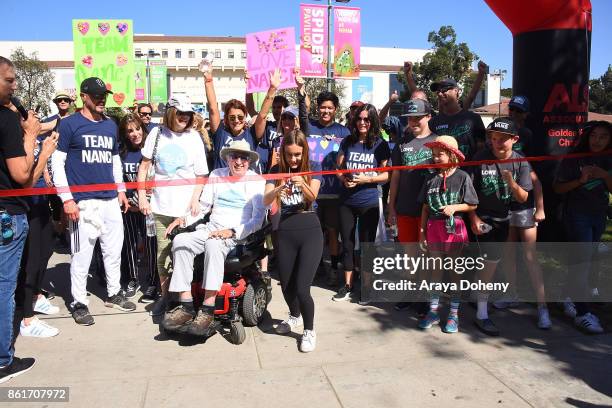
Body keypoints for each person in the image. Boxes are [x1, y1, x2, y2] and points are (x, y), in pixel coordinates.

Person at [52, 77, 136, 326]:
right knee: (81, 256)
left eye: (104, 95)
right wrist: (66, 199)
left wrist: (120, 190)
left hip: (110, 200)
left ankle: (113, 292)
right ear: (83, 96)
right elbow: (57, 164)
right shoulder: (69, 125)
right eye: (97, 95)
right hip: (82, 203)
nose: (102, 99)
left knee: (113, 251)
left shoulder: (110, 125)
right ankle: (78, 302)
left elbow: (114, 161)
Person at [162, 139, 266, 336]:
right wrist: (182, 220)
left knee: (213, 244)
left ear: (249, 161)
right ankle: (186, 305)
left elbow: (257, 221)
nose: (239, 161)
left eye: (243, 157)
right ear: (227, 158)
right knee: (180, 241)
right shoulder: (217, 175)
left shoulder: (257, 182)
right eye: (234, 156)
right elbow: (202, 207)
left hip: (238, 234)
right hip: (210, 228)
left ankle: (208, 308)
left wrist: (232, 231)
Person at [137, 94, 208, 316]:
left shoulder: (194, 137)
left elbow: (201, 174)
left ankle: (187, 300)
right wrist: (141, 195)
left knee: (187, 254)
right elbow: (144, 166)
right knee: (163, 256)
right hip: (161, 207)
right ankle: (167, 298)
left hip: (187, 210)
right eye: (181, 113)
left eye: (188, 114)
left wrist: (196, 199)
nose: (184, 118)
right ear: (171, 112)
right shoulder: (156, 134)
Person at [468, 117, 533, 336]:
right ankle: (482, 315)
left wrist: (511, 182)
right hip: (482, 219)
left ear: (514, 139)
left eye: (503, 139)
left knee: (487, 264)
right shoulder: (480, 158)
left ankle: (475, 298)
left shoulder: (521, 162)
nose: (497, 143)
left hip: (503, 219)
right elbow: (467, 193)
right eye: (494, 138)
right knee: (489, 265)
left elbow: (523, 197)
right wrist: (474, 218)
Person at [493, 96, 551, 330]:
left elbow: (534, 177)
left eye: (520, 111)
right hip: (506, 203)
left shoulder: (525, 135)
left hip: (523, 198)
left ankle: (542, 306)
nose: (515, 113)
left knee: (530, 256)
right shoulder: (500, 128)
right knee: (508, 253)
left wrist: (540, 207)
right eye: (513, 109)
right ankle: (512, 292)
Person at [264, 130, 323, 352]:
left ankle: (309, 330)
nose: (294, 159)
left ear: (304, 152)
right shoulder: (275, 170)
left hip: (310, 230)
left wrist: (301, 183)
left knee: (301, 287)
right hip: (286, 231)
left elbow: (313, 197)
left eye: (298, 154)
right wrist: (279, 186)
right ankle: (294, 316)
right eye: (290, 155)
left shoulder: (314, 167)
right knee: (287, 285)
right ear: (283, 154)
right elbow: (265, 200)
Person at [0, 55, 40, 383]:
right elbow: (22, 174)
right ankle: (3, 360)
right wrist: (30, 136)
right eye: (9, 80)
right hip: (7, 214)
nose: (15, 86)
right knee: (3, 287)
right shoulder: (6, 120)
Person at [553, 121, 611, 334]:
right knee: (583, 262)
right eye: (594, 135)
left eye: (603, 136)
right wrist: (580, 180)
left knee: (585, 261)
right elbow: (558, 188)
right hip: (577, 216)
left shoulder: (608, 158)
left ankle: (565, 297)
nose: (597, 140)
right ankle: (583, 313)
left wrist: (604, 175)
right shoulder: (573, 158)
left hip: (599, 215)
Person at [417, 136, 478, 333]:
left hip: (454, 228)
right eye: (433, 155)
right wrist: (421, 232)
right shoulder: (431, 178)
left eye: (439, 154)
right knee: (435, 270)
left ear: (452, 155)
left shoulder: (462, 177)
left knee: (454, 271)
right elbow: (425, 209)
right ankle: (433, 311)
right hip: (434, 227)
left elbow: (473, 204)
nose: (435, 158)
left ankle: (453, 314)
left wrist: (455, 207)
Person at [333, 104, 390, 302]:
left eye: (367, 119)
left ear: (373, 120)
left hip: (369, 201)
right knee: (347, 244)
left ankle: (367, 286)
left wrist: (366, 179)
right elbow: (338, 168)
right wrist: (343, 179)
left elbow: (385, 176)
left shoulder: (380, 144)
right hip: (347, 201)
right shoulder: (347, 141)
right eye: (359, 119)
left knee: (367, 246)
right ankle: (347, 284)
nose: (362, 122)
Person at [387, 99, 437, 313]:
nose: (414, 121)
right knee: (410, 255)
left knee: (426, 254)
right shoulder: (402, 143)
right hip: (405, 207)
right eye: (410, 118)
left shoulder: (439, 142)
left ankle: (425, 298)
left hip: (431, 209)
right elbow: (395, 176)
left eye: (418, 117)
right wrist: (391, 206)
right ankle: (411, 292)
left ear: (429, 117)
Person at [18, 122, 60, 338]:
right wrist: (44, 153)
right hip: (27, 206)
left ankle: (35, 295)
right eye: (28, 114)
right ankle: (27, 319)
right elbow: (26, 178)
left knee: (46, 251)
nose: (34, 116)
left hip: (42, 201)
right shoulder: (18, 140)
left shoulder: (33, 137)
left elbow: (52, 123)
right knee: (31, 262)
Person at [308, 91, 351, 285]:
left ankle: (334, 269)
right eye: (323, 107)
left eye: (330, 108)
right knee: (313, 233)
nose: (326, 111)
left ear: (335, 110)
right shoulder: (308, 127)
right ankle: (314, 268)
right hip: (311, 193)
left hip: (335, 193)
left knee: (333, 232)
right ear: (318, 108)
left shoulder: (344, 132)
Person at [118, 114, 158, 302]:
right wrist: (128, 200)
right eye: (130, 131)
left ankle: (152, 282)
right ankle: (133, 279)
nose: (134, 134)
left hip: (149, 207)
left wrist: (145, 200)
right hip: (128, 208)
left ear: (143, 128)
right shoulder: (121, 153)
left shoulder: (151, 152)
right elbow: (118, 180)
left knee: (151, 244)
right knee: (130, 244)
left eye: (137, 129)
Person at [202, 62, 259, 170]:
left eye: (240, 117)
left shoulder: (251, 134)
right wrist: (208, 80)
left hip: (244, 183)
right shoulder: (220, 133)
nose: (236, 120)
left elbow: (262, 115)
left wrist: (249, 85)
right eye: (232, 118)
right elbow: (213, 108)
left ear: (245, 117)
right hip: (222, 184)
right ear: (226, 119)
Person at [428, 78, 485, 159]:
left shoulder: (473, 118)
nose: (440, 94)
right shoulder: (433, 122)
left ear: (456, 91)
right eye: (438, 92)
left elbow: (482, 149)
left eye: (444, 90)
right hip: (443, 171)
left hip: (469, 170)